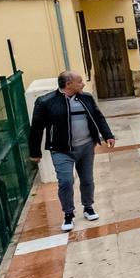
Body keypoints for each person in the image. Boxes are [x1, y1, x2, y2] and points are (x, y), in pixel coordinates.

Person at [28, 71, 116, 232]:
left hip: (86, 147)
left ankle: (88, 207)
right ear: (68, 84)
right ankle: (68, 214)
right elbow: (36, 128)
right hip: (61, 150)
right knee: (66, 182)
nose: (83, 84)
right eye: (80, 81)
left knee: (88, 179)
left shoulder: (86, 98)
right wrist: (35, 152)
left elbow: (98, 117)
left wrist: (108, 135)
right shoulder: (45, 102)